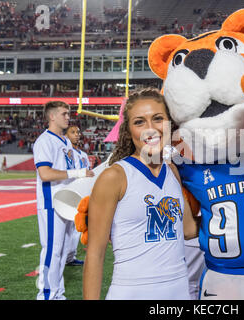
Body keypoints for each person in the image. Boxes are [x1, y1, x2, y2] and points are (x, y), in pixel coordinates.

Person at [83, 88, 198, 300]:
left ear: (169, 123)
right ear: (128, 131)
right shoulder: (115, 177)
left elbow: (189, 230)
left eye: (157, 119)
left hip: (179, 289)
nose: (150, 129)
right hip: (132, 291)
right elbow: (95, 254)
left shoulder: (172, 171)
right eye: (139, 122)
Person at [33, 101, 95, 300]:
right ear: (52, 116)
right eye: (64, 113)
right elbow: (45, 173)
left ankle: (57, 294)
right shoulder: (44, 141)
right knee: (52, 251)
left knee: (61, 252)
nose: (68, 117)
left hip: (67, 201)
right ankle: (46, 296)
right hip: (52, 202)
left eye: (68, 113)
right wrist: (78, 172)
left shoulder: (65, 142)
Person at [64, 125, 89, 267]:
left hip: (80, 192)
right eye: (72, 132)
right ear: (66, 136)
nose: (77, 134)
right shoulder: (67, 152)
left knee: (76, 227)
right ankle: (64, 256)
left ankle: (70, 256)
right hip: (69, 192)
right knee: (67, 228)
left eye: (78, 132)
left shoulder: (83, 155)